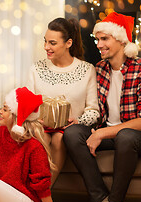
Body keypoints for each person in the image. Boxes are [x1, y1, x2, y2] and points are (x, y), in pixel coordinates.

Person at [64, 12, 141, 202]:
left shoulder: (139, 70)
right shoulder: (99, 69)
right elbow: (93, 108)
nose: (99, 44)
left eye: (104, 38)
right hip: (108, 131)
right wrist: (79, 120)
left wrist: (103, 132)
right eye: (97, 39)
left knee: (125, 135)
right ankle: (101, 199)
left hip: (134, 136)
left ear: (121, 38)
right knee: (72, 133)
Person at [25, 17, 100, 186]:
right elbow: (27, 103)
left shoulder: (87, 70)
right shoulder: (36, 69)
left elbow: (94, 111)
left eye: (52, 43)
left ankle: (45, 193)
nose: (46, 47)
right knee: (41, 137)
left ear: (68, 43)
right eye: (45, 42)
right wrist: (36, 118)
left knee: (59, 140)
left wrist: (78, 121)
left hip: (69, 129)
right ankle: (34, 193)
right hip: (40, 126)